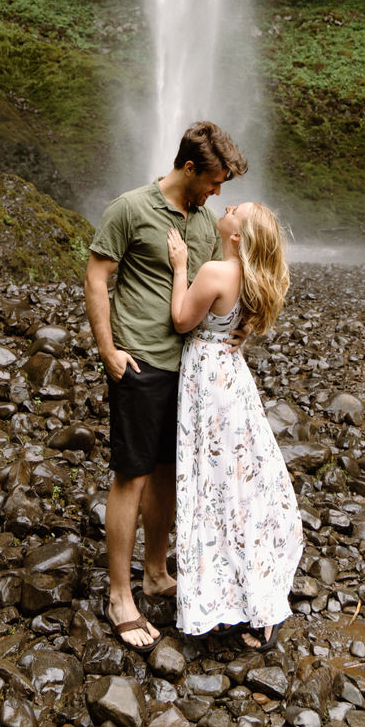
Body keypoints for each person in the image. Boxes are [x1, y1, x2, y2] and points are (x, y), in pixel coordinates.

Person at [85, 121, 248, 650]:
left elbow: (208, 289)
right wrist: (108, 350)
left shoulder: (202, 222)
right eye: (214, 181)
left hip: (190, 371)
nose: (218, 192)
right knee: (130, 476)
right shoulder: (130, 209)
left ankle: (155, 572)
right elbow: (96, 277)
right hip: (140, 365)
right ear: (188, 168)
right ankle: (119, 597)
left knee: (168, 473)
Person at [167, 200, 303, 650]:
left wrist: (180, 266)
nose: (225, 207)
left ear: (237, 236)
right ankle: (249, 591)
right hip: (235, 381)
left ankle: (225, 596)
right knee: (242, 485)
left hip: (207, 381)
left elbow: (183, 319)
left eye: (234, 210)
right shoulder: (254, 277)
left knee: (212, 485)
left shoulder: (214, 273)